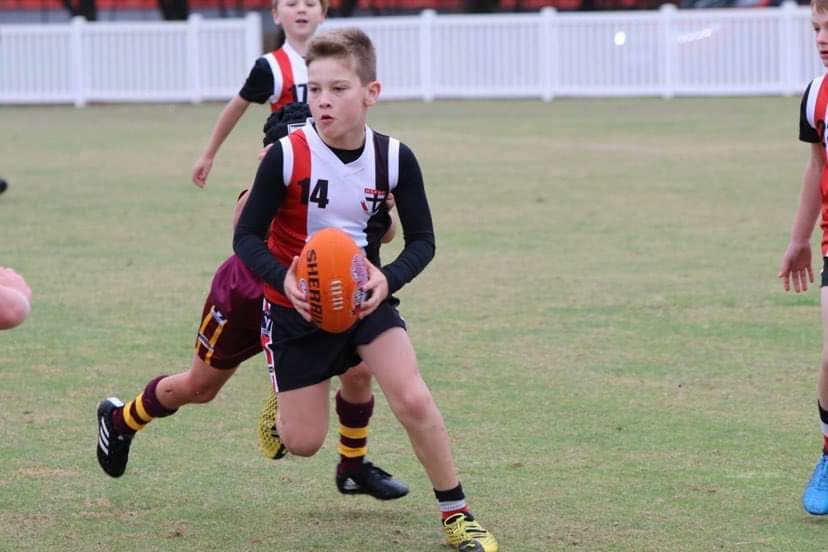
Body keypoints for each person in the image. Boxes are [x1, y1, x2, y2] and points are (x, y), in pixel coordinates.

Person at [233, 28, 498, 552]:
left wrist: (387, 278)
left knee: (413, 397)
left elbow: (423, 241)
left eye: (339, 88)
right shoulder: (285, 156)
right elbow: (245, 237)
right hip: (293, 310)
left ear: (371, 93)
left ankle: (457, 515)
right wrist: (284, 278)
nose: (323, 101)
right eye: (315, 89)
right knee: (302, 442)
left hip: (362, 300)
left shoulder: (395, 158)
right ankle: (282, 402)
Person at [96, 117, 408, 500]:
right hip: (244, 297)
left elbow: (386, 234)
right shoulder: (272, 182)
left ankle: (352, 465)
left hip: (307, 301)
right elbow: (242, 229)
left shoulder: (341, 183)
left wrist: (380, 206)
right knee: (200, 388)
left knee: (359, 370)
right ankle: (121, 419)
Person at [779, 0, 828, 517]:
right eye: (816, 27)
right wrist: (799, 239)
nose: (822, 38)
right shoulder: (816, 95)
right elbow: (817, 166)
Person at [191, 0, 326, 188]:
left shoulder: (338, 63)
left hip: (329, 162)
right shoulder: (270, 66)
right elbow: (236, 107)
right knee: (247, 206)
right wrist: (208, 155)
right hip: (286, 165)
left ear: (323, 14)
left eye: (310, 4)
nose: (301, 9)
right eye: (292, 4)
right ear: (276, 15)